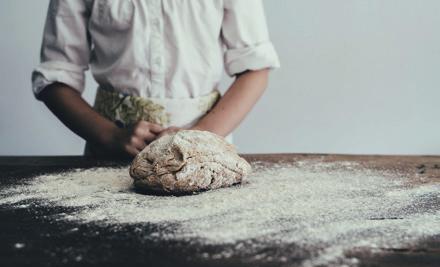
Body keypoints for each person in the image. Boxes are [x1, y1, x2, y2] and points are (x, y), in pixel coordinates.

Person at [32, 0, 280, 158]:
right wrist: (110, 136)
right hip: (110, 152)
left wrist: (198, 137)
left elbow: (255, 69)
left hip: (206, 149)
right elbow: (55, 78)